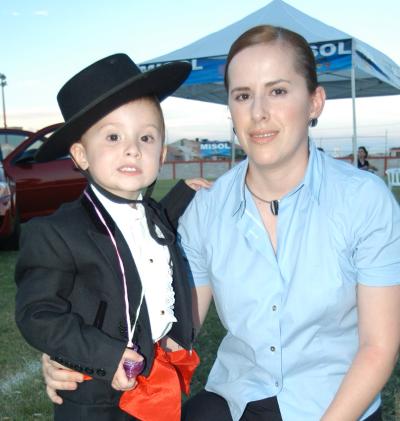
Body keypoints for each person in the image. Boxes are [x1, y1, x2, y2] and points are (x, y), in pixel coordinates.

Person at [42, 26, 400, 421]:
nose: (258, 111)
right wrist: (79, 352)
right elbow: (171, 325)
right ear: (230, 109)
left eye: (278, 91)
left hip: (335, 404)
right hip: (238, 397)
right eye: (243, 95)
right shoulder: (206, 209)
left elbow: (378, 346)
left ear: (315, 102)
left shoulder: (363, 200)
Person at [15, 53, 209, 421]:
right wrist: (104, 355)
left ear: (162, 153)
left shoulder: (151, 213)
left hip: (156, 375)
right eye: (113, 136)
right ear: (81, 154)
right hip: (93, 397)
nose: (132, 148)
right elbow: (36, 314)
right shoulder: (58, 232)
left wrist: (183, 193)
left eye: (146, 137)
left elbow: (147, 229)